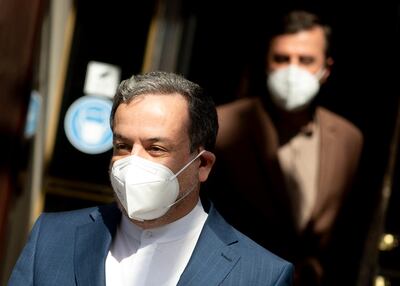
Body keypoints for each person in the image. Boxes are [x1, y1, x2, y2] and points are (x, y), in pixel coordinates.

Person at [8, 71, 294, 285]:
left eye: (156, 148)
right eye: (122, 146)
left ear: (203, 164)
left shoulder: (259, 275)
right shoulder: (53, 237)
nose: (134, 161)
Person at [208, 10, 364, 286]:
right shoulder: (224, 125)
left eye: (306, 60)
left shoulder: (348, 139)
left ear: (326, 69)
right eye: (282, 59)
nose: (293, 71)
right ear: (267, 64)